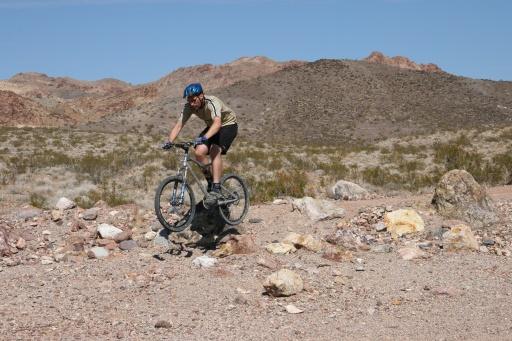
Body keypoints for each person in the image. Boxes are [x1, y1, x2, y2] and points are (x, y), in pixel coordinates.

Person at [165, 83, 238, 204]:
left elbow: (217, 123)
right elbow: (179, 125)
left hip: (228, 125)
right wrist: (169, 141)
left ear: (201, 96)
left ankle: (216, 187)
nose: (192, 104)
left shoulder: (212, 102)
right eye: (189, 101)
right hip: (212, 127)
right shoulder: (189, 107)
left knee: (215, 149)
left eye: (194, 100)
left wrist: (204, 137)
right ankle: (211, 180)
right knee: (198, 152)